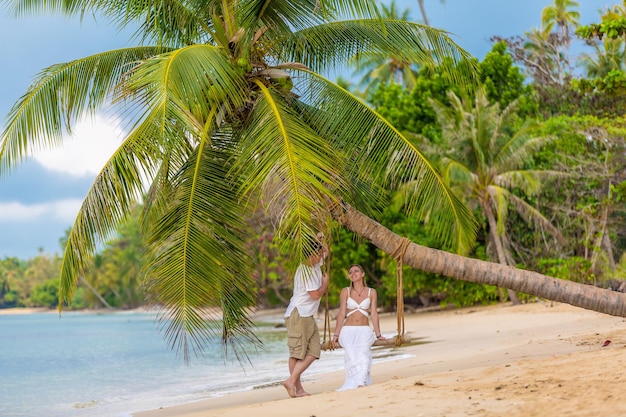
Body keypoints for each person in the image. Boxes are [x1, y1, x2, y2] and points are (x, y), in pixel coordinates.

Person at [282, 242, 329, 398]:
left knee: (314, 351)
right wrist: (325, 284)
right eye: (318, 254)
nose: (321, 256)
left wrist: (319, 238)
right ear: (310, 255)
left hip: (307, 315)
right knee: (297, 353)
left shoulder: (314, 265)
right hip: (299, 314)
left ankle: (292, 381)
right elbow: (315, 295)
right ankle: (296, 387)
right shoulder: (305, 270)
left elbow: (326, 251)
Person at [333, 264, 385, 391]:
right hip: (348, 330)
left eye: (356, 271)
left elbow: (373, 313)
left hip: (364, 330)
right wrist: (336, 335)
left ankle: (360, 382)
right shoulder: (345, 291)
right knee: (351, 354)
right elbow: (341, 313)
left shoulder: (371, 292)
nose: (353, 273)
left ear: (362, 274)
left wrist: (378, 335)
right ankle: (357, 382)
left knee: (363, 354)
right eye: (350, 272)